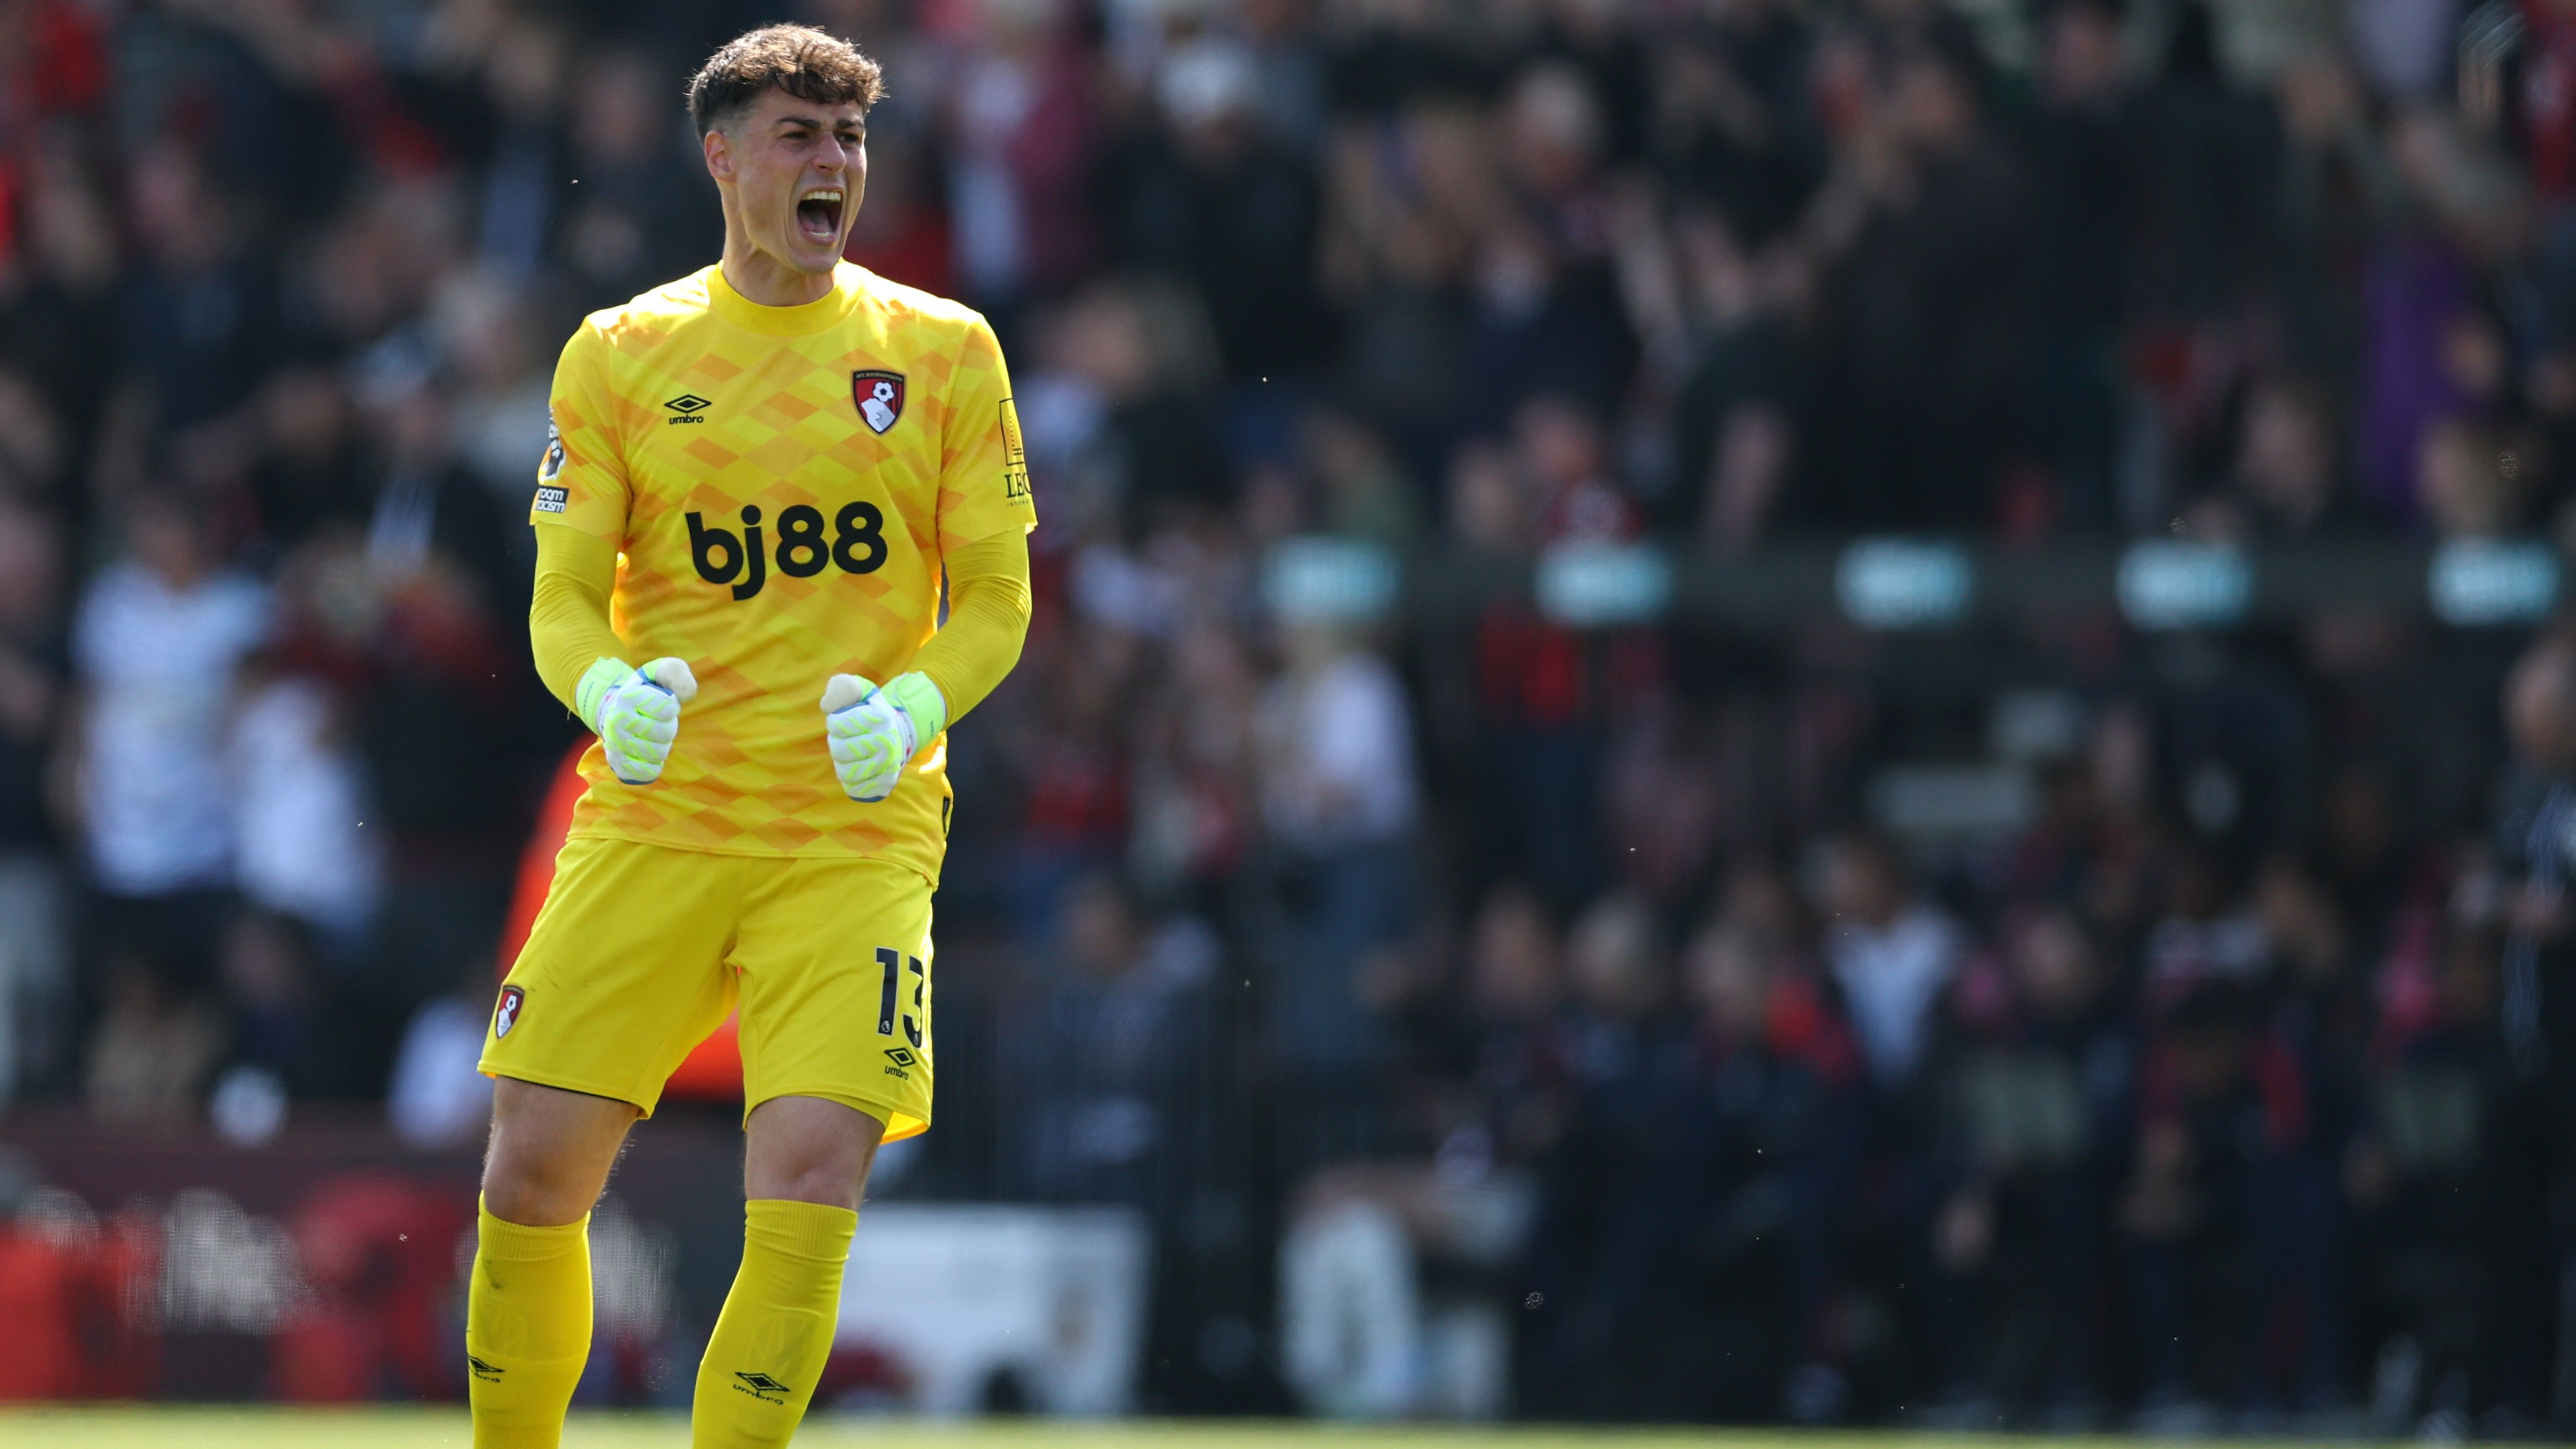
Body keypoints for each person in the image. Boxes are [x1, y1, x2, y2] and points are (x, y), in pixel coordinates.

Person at [466, 27, 1036, 1449]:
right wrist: (609, 697)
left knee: (810, 1179)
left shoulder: (945, 354)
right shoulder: (622, 355)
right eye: (798, 135)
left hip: (855, 831)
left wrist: (912, 708)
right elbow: (556, 609)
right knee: (531, 1175)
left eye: (846, 138)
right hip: (660, 813)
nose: (832, 163)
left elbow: (1000, 606)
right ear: (721, 157)